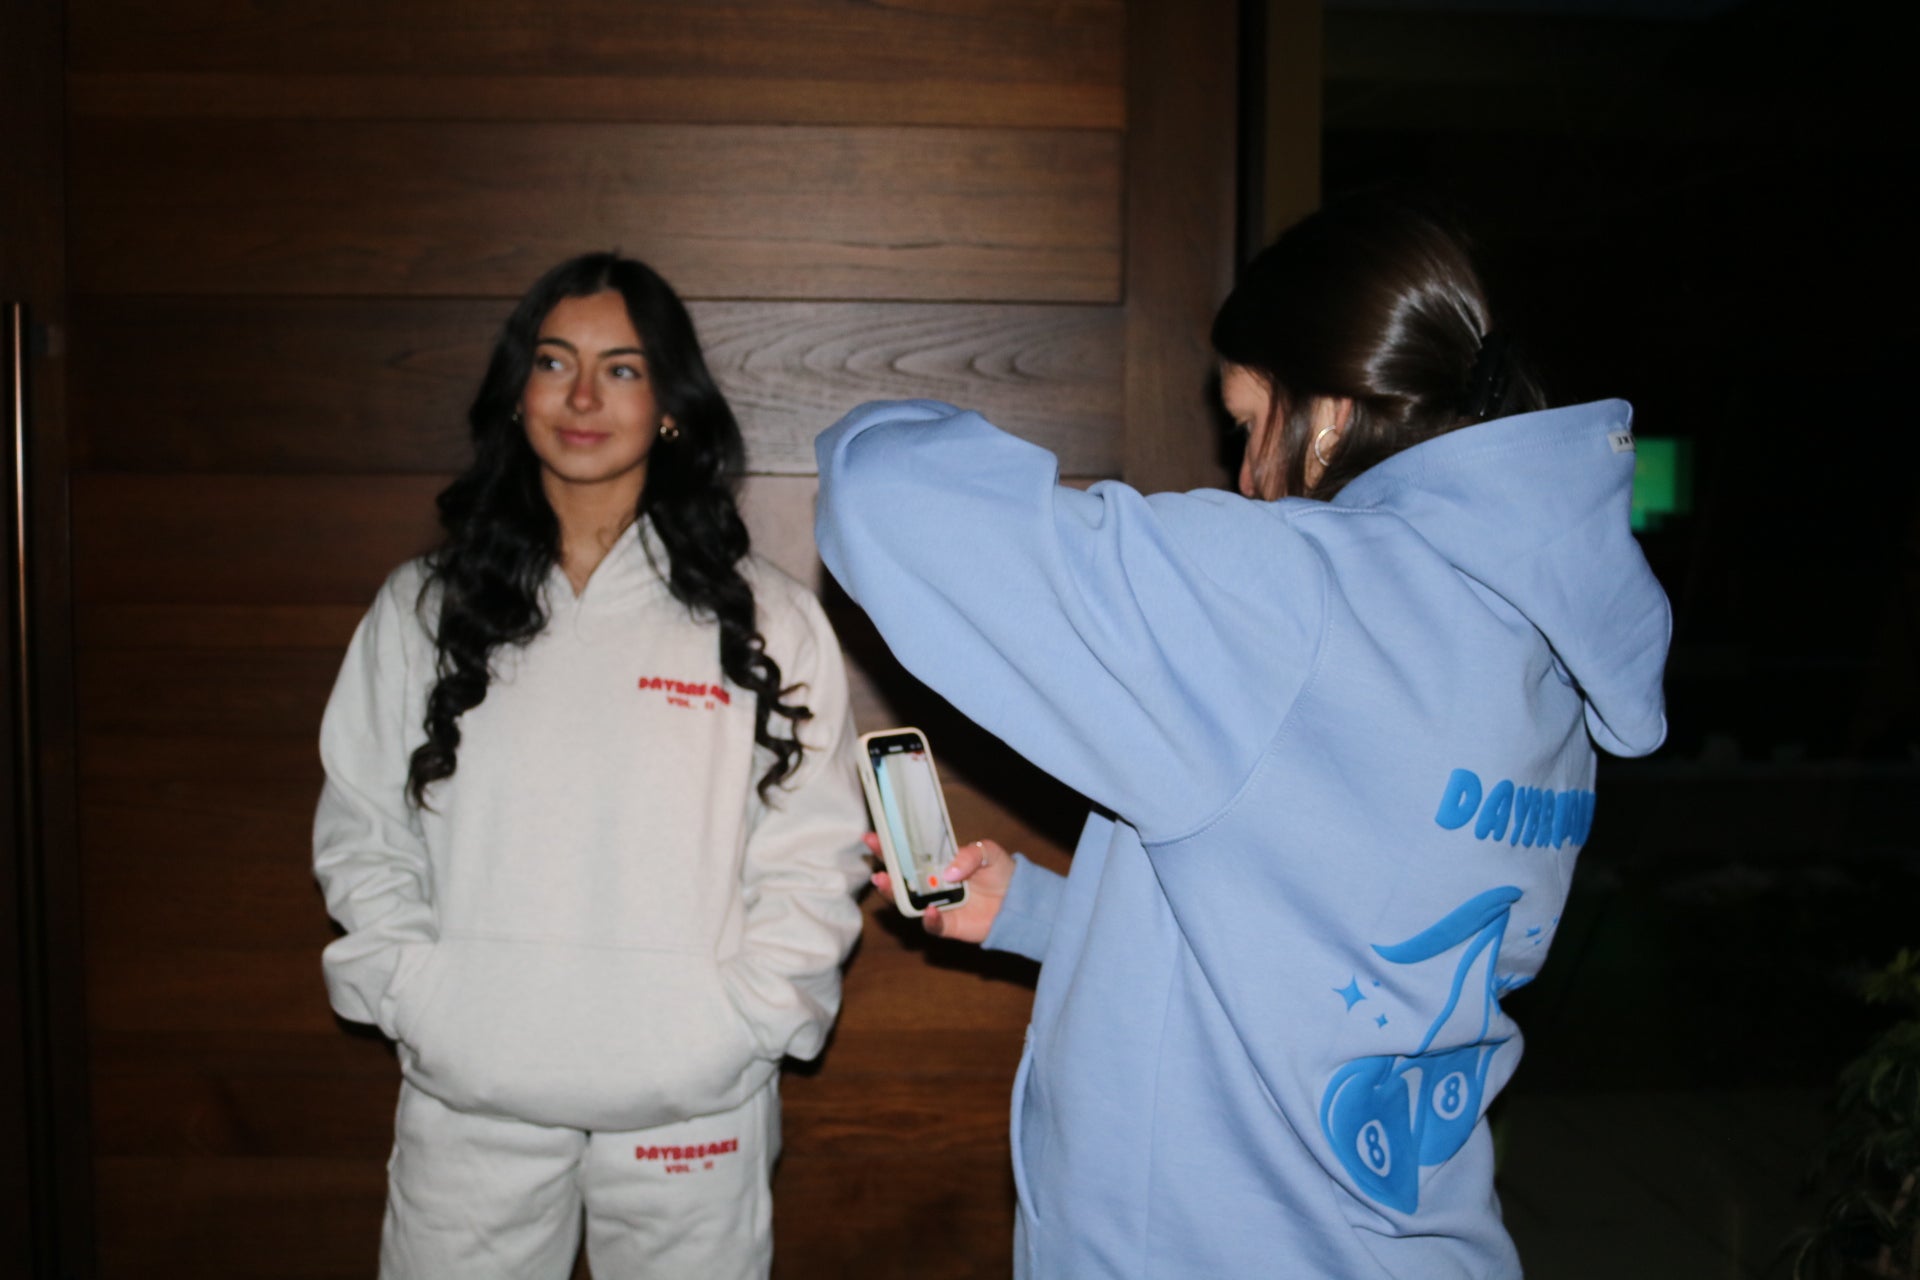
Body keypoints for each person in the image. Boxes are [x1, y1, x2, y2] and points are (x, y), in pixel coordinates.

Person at [815, 196, 1670, 1278]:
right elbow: (1345, 951)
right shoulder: (1540, 645)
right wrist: (1038, 911)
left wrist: (878, 406)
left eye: (1246, 423)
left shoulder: (1294, 597)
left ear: (1326, 416)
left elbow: (881, 488)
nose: (1246, 475)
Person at [313, 252, 867, 1280]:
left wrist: (742, 1023)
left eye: (621, 369)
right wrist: (422, 998)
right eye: (554, 361)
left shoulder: (767, 619)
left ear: (671, 405)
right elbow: (362, 827)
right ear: (515, 390)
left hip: (690, 1098)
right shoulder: (424, 609)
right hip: (472, 1091)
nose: (581, 398)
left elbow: (814, 852)